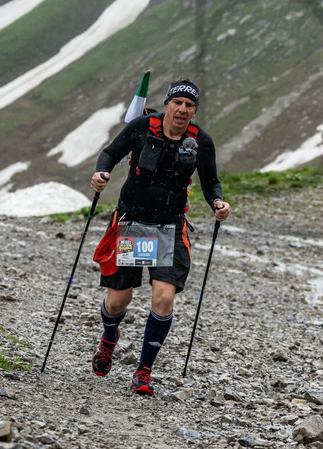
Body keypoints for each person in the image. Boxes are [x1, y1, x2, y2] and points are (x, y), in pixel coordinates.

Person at [89, 78, 230, 396]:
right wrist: (101, 174)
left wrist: (217, 203)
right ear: (167, 104)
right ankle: (108, 341)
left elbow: (210, 182)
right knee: (117, 301)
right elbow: (110, 154)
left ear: (194, 111)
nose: (182, 109)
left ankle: (143, 371)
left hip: (170, 226)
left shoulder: (200, 141)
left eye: (190, 105)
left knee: (164, 298)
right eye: (178, 102)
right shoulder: (141, 126)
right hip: (133, 223)